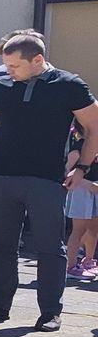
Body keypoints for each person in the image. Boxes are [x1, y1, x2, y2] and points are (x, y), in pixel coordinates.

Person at [0, 32, 98, 331]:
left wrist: (82, 167)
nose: (8, 70)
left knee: (49, 247)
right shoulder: (0, 85)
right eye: (6, 65)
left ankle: (50, 311)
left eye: (14, 65)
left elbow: (94, 126)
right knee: (0, 244)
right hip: (2, 175)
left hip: (47, 179)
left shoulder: (69, 85)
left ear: (38, 60)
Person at [67, 120, 98, 282]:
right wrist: (87, 184)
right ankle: (71, 266)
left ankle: (89, 260)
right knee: (79, 229)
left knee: (93, 228)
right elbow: (68, 171)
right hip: (81, 190)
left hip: (95, 189)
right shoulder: (78, 143)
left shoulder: (93, 142)